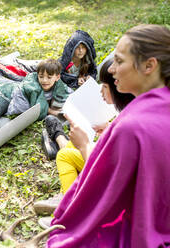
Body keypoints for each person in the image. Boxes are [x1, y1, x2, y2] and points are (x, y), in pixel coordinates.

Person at [46, 24, 170, 247]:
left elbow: (97, 196)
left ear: (149, 66)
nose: (111, 70)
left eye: (120, 61)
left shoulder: (130, 126)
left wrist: (63, 222)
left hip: (149, 232)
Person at [35, 58, 134, 217]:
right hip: (118, 166)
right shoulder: (132, 112)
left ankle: (68, 202)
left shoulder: (130, 122)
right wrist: (108, 130)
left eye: (105, 86)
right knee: (70, 147)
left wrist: (84, 146)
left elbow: (108, 174)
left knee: (64, 155)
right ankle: (60, 139)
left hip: (115, 183)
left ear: (119, 87)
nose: (100, 91)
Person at [7, 58, 72, 120]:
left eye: (49, 77)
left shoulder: (59, 85)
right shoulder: (31, 86)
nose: (44, 80)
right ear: (37, 75)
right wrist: (51, 111)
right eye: (41, 77)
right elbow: (36, 108)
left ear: (57, 77)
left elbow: (69, 93)